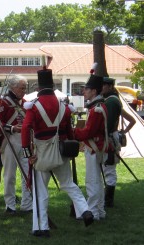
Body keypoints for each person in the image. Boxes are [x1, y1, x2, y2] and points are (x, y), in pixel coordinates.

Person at [21, 68, 94, 238]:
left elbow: (26, 128)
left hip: (41, 153)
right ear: (53, 86)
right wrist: (71, 146)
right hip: (61, 152)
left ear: (39, 87)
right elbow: (69, 131)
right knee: (68, 183)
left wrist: (27, 152)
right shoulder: (64, 106)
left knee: (41, 191)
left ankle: (42, 227)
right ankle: (84, 210)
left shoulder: (34, 106)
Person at [0, 75, 32, 214]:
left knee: (27, 173)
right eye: (21, 88)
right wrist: (12, 128)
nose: (24, 90)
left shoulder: (25, 103)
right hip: (9, 139)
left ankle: (27, 204)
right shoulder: (2, 102)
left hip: (25, 140)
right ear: (12, 87)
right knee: (9, 175)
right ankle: (10, 205)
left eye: (24, 88)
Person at [74, 74, 107, 221]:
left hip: (94, 147)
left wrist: (74, 131)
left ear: (94, 91)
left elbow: (89, 132)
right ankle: (99, 210)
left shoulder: (97, 109)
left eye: (86, 89)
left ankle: (93, 212)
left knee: (92, 181)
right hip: (96, 147)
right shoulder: (97, 107)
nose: (84, 92)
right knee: (97, 181)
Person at [101, 77, 136, 207]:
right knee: (108, 168)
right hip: (112, 136)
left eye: (104, 85)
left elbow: (108, 125)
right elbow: (132, 120)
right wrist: (122, 132)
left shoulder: (111, 102)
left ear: (110, 86)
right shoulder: (114, 101)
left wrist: (119, 133)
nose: (102, 87)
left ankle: (108, 201)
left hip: (109, 137)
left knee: (109, 169)